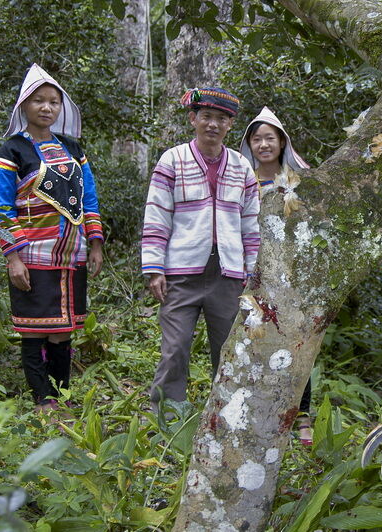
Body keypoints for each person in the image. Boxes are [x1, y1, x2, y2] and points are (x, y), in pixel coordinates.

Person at [0, 63, 104, 410]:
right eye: (38, 101)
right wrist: (13, 257)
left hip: (72, 255)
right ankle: (43, 401)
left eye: (53, 102)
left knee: (62, 329)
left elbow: (89, 197)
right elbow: (0, 208)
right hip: (32, 255)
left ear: (61, 108)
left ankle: (62, 395)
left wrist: (95, 242)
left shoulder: (72, 147)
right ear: (24, 105)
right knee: (34, 328)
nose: (46, 108)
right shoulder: (11, 152)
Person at [141, 88, 260, 412]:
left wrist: (251, 273)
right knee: (175, 347)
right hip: (181, 273)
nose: (213, 124)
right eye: (206, 116)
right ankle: (167, 414)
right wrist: (154, 268)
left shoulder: (241, 167)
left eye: (221, 118)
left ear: (230, 125)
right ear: (193, 119)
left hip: (228, 275)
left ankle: (225, 415)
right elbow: (157, 215)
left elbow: (250, 225)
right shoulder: (173, 160)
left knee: (228, 349)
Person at [240, 106, 313, 445]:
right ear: (249, 144)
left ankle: (302, 413)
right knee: (254, 340)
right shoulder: (242, 178)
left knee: (296, 341)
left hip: (293, 272)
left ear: (282, 142)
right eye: (257, 139)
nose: (263, 144)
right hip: (252, 272)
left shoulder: (301, 179)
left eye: (270, 138)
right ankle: (260, 410)